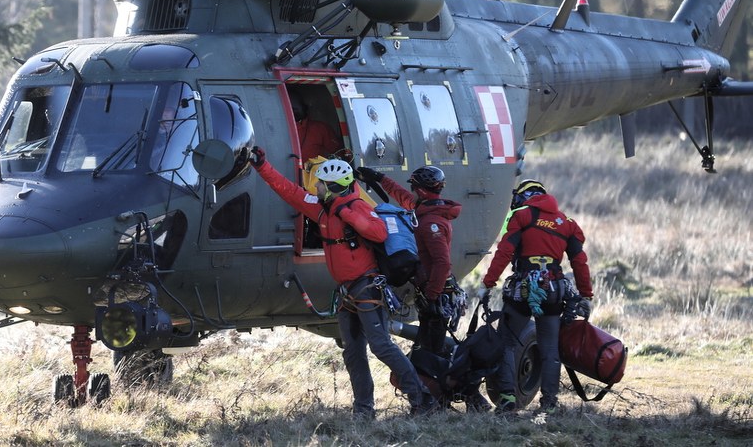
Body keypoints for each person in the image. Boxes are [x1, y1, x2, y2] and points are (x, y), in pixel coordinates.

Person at [249, 146, 436, 418]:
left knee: (381, 345)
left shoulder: (352, 206)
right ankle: (363, 410)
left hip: (367, 286)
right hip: (347, 291)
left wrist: (345, 211)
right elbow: (289, 191)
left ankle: (422, 399)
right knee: (353, 353)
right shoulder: (322, 209)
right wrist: (262, 166)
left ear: (332, 186)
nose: (316, 188)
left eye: (321, 184)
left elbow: (379, 231)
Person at [356, 165, 490, 412]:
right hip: (434, 295)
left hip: (437, 298)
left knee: (432, 355)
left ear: (419, 189)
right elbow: (403, 197)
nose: (410, 192)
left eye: (413, 187)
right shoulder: (426, 209)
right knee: (430, 352)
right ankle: (451, 401)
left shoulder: (431, 222)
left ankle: (460, 401)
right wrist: (379, 178)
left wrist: (431, 295)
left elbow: (442, 263)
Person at [478, 179, 594, 414]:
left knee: (507, 343)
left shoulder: (521, 215)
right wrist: (585, 294)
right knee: (550, 349)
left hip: (522, 289)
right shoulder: (567, 223)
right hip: (554, 291)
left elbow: (504, 252)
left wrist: (488, 283)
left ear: (522, 197)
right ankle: (549, 404)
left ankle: (508, 399)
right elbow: (580, 262)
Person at [290, 92, 340, 160]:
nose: (293, 111)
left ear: (304, 108)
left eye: (295, 109)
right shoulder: (275, 130)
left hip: (316, 169)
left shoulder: (321, 128)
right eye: (291, 108)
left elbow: (338, 153)